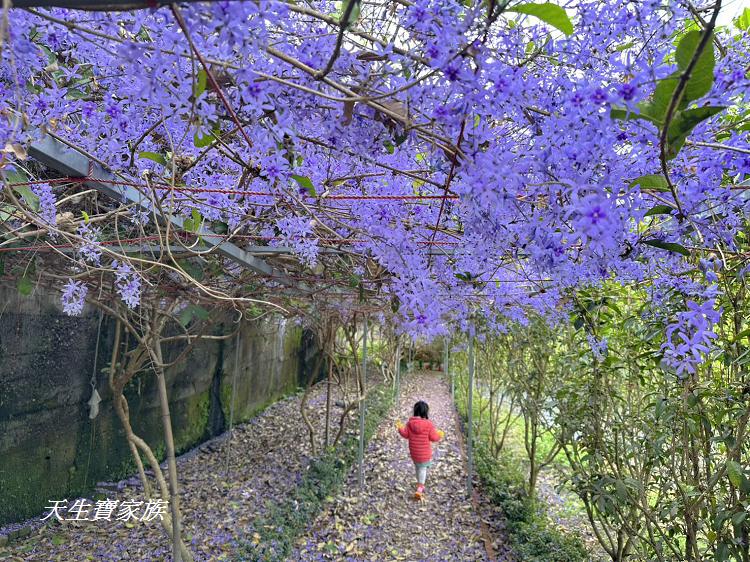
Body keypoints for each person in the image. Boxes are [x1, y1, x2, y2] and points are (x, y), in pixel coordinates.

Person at [396, 400, 445, 500]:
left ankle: (419, 482)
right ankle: (420, 488)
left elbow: (405, 434)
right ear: (425, 412)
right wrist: (439, 435)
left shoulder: (410, 423)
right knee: (423, 469)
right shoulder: (429, 424)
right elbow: (433, 438)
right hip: (424, 453)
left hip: (414, 452)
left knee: (418, 467)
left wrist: (400, 428)